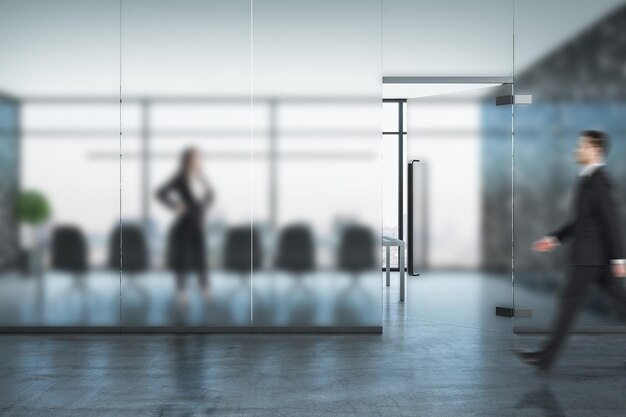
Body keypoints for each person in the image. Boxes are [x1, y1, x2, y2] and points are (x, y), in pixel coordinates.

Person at [514, 130, 626, 371]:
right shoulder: (586, 180)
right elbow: (583, 221)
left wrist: (619, 258)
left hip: (592, 259)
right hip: (594, 258)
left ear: (595, 150)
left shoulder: (599, 181)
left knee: (569, 305)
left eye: (582, 146)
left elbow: (611, 221)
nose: (577, 149)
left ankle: (546, 358)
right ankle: (546, 358)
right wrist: (555, 238)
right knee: (617, 302)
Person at [157, 147, 215, 305]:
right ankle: (182, 292)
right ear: (187, 161)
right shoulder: (180, 178)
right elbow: (160, 192)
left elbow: (211, 194)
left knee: (201, 257)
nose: (197, 162)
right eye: (194, 159)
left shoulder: (201, 177)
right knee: (182, 259)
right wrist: (176, 206)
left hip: (199, 223)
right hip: (184, 224)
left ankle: (205, 289)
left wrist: (203, 206)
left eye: (198, 159)